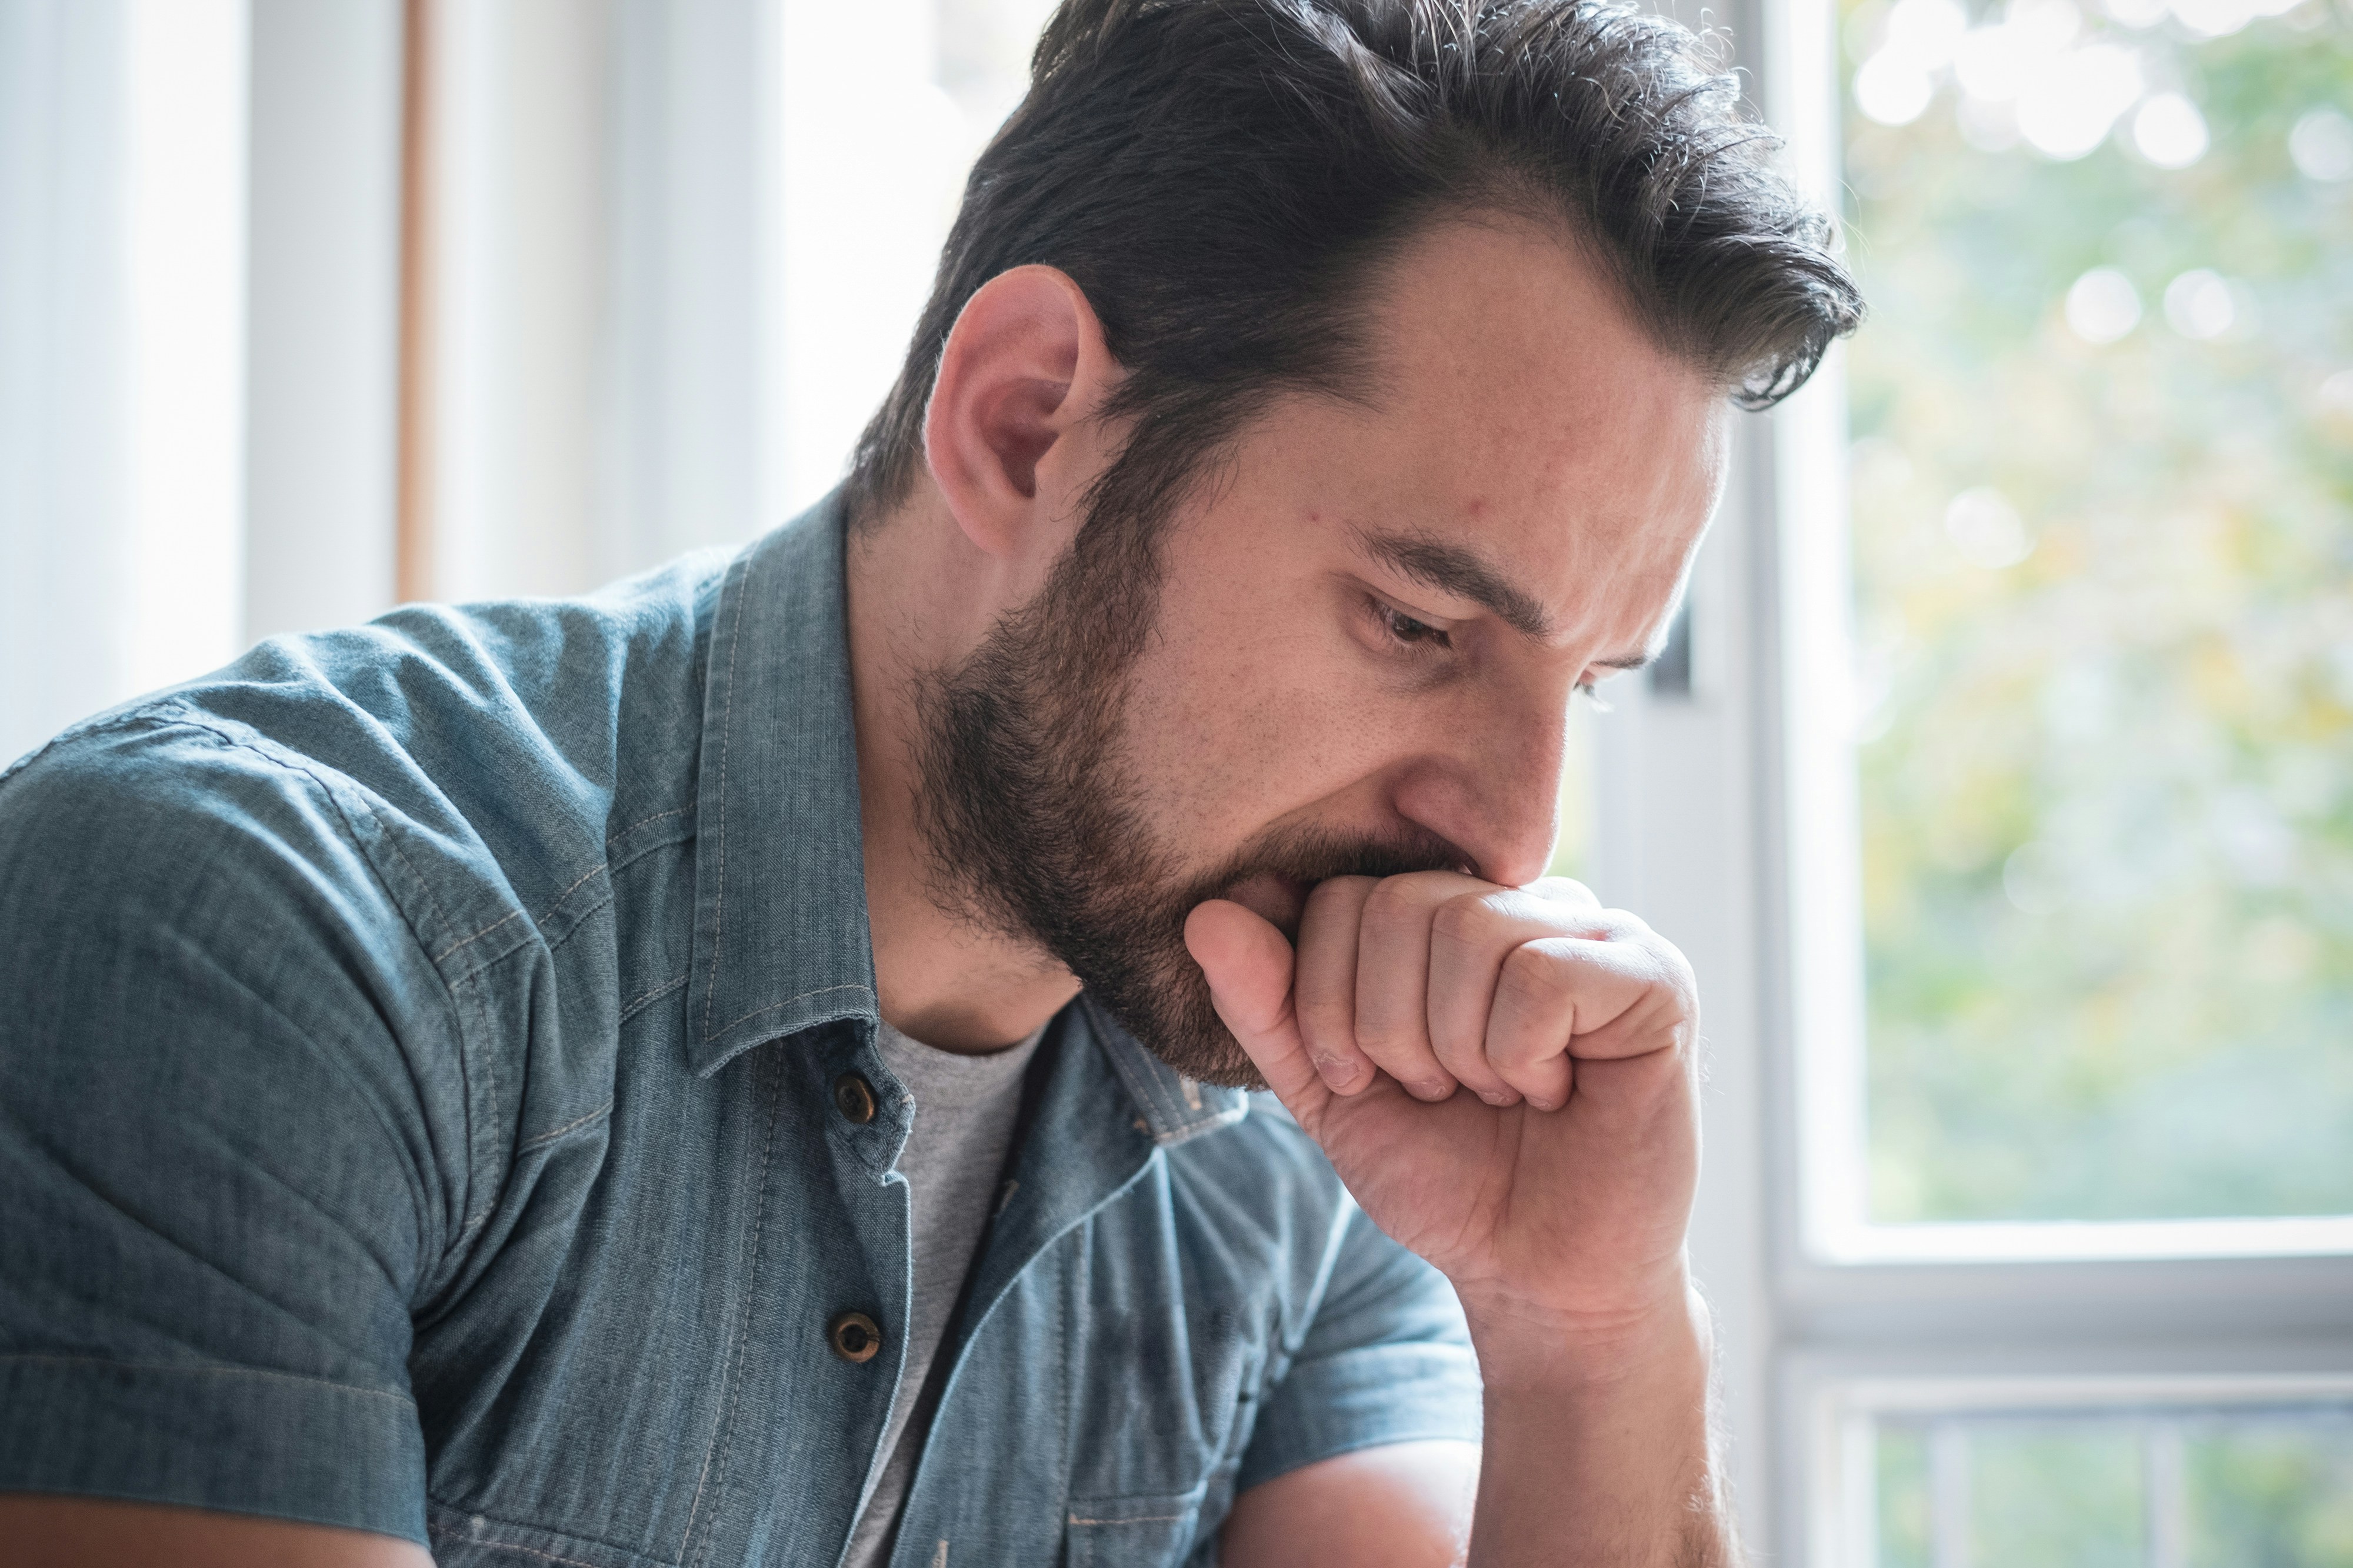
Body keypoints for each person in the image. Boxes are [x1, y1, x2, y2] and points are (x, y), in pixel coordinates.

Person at [0, 1, 1861, 1563]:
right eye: (1413, 622)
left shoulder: (1323, 1136)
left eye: (1586, 684)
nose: (1514, 833)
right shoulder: (255, 934)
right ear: (1025, 421)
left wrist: (1586, 1332)